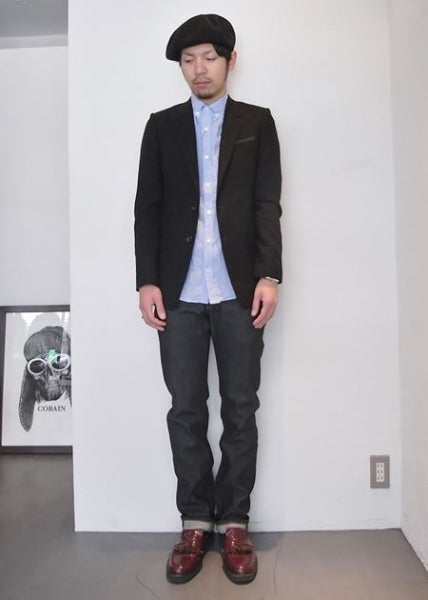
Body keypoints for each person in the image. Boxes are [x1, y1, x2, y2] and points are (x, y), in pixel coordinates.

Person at [134, 14, 282, 585]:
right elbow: (147, 209)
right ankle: (195, 521)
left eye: (209, 58)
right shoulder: (161, 126)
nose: (199, 69)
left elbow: (267, 203)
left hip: (239, 290)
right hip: (179, 293)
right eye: (189, 60)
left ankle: (235, 522)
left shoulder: (257, 123)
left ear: (230, 61)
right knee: (187, 409)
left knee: (241, 408)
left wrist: (269, 275)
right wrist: (147, 281)